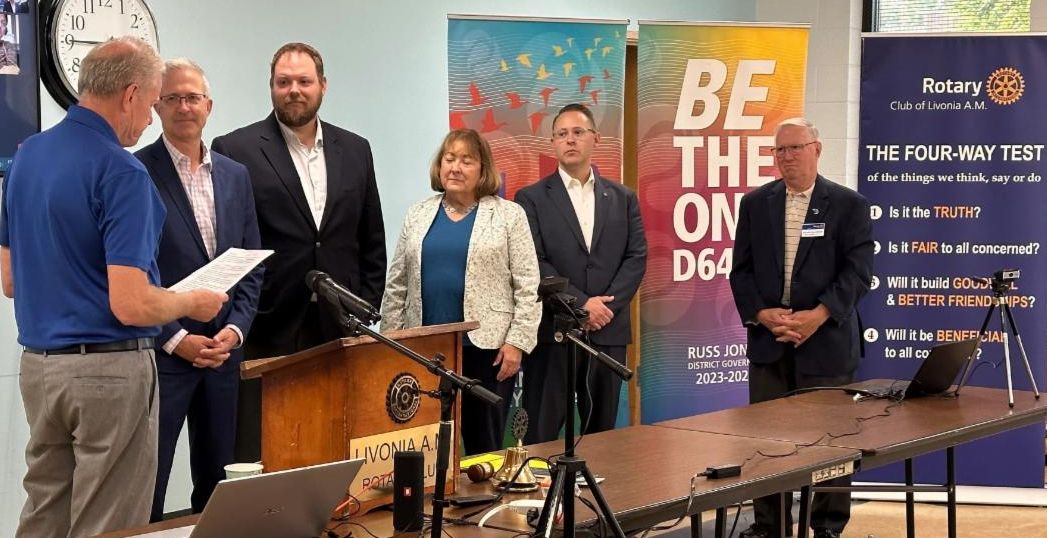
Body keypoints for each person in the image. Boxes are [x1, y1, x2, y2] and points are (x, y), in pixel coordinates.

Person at [0, 37, 227, 538]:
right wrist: (193, 301)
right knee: (109, 524)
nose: (148, 121)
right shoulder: (123, 171)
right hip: (109, 373)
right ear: (130, 95)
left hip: (40, 370)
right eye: (151, 104)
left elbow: (11, 281)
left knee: (45, 512)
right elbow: (131, 303)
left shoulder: (26, 158)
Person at [211, 42, 386, 462]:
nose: (294, 90)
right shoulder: (235, 149)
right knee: (261, 452)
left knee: (335, 446)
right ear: (271, 86)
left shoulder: (356, 149)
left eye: (304, 81)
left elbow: (371, 240)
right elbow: (227, 247)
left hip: (339, 327)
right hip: (266, 327)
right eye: (284, 81)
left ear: (323, 85)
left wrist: (363, 308)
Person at [729, 118, 873, 538]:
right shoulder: (756, 204)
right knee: (767, 442)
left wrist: (819, 314)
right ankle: (770, 524)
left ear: (817, 149)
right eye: (780, 150)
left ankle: (827, 525)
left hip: (827, 342)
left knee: (831, 441)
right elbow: (741, 272)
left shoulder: (849, 205)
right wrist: (762, 313)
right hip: (770, 342)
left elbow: (858, 273)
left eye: (795, 148)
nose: (787, 157)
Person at [134, 58, 262, 522]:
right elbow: (134, 273)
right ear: (157, 106)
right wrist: (176, 338)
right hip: (163, 357)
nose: (184, 107)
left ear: (209, 106)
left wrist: (236, 330)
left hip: (223, 356)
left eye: (193, 97)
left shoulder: (235, 175)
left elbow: (251, 263)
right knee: (148, 483)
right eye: (173, 98)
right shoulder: (136, 172)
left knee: (218, 485)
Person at [380, 128, 540, 455]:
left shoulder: (509, 215)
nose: (455, 168)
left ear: (483, 170)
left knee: (484, 448)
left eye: (466, 161)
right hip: (425, 350)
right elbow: (397, 283)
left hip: (487, 350)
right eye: (449, 159)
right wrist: (390, 341)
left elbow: (528, 286)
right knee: (425, 447)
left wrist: (517, 342)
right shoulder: (418, 214)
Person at [515, 103, 647, 444]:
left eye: (577, 132)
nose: (569, 140)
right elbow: (533, 262)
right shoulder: (530, 198)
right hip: (554, 331)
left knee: (602, 435)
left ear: (595, 138)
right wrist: (582, 305)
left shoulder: (623, 197)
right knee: (542, 432)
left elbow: (636, 258)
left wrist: (604, 309)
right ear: (553, 142)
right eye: (561, 134)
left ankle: (597, 480)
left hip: (608, 330)